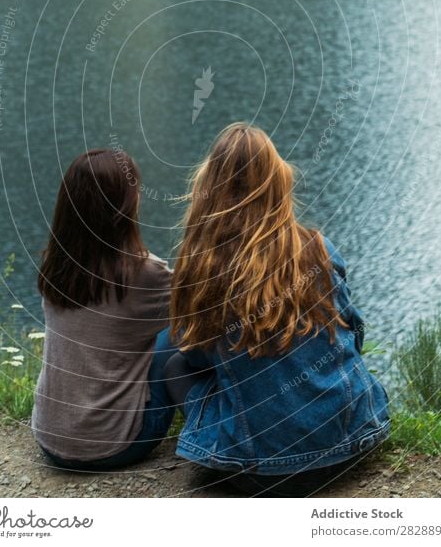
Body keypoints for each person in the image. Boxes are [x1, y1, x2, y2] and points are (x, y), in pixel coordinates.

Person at [166, 123, 389, 497]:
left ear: (209, 187)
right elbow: (354, 331)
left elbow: (197, 357)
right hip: (354, 442)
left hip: (259, 473)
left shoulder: (202, 269)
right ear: (277, 181)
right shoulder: (318, 248)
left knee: (174, 364)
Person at [32, 148, 175, 470]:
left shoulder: (57, 265)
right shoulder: (144, 274)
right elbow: (206, 309)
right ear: (125, 205)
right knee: (174, 337)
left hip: (50, 440)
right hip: (117, 445)